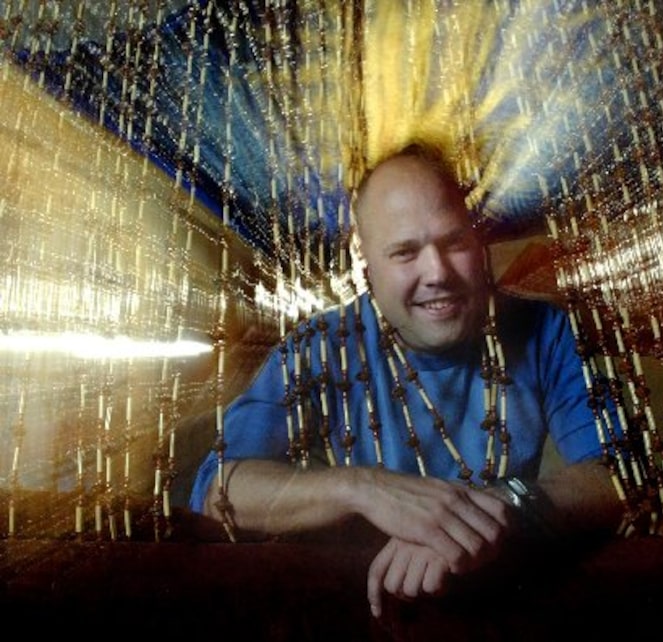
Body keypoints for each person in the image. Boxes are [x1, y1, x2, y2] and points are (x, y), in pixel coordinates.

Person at [189, 143, 625, 618]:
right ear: (365, 262)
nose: (436, 272)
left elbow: (616, 478)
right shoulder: (317, 347)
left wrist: (492, 511)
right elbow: (218, 490)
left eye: (454, 241)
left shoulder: (543, 329)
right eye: (405, 252)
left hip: (504, 605)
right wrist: (363, 489)